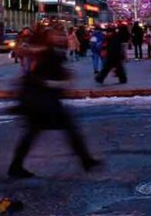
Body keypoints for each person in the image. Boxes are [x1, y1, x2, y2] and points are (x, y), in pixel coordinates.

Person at [9, 26, 101, 178]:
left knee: (34, 134)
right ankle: (86, 160)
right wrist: (59, 83)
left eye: (60, 35)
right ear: (47, 38)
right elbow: (36, 77)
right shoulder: (45, 53)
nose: (59, 38)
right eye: (55, 36)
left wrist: (63, 78)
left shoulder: (51, 53)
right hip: (42, 102)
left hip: (44, 102)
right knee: (68, 129)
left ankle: (16, 166)